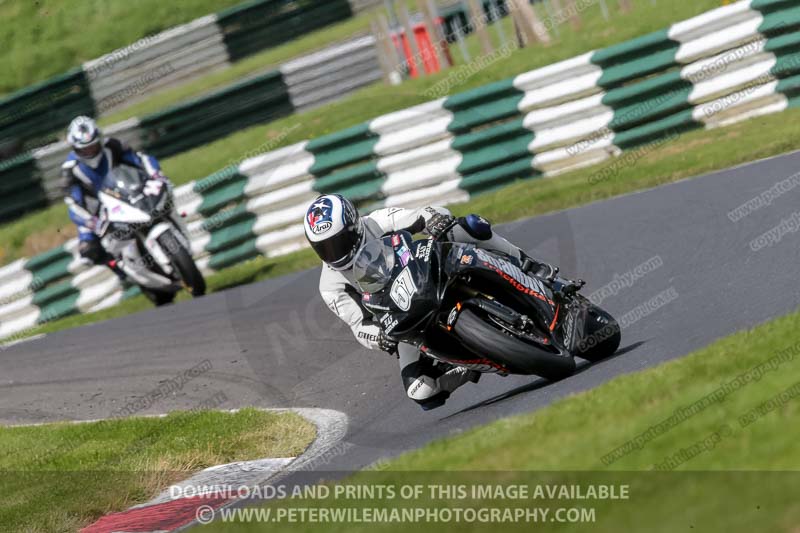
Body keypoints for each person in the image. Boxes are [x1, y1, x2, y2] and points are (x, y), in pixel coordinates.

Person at [303, 194, 559, 411]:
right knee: (420, 390)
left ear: (354, 225)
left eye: (338, 242)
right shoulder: (330, 286)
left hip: (427, 273)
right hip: (402, 319)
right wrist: (379, 337)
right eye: (324, 247)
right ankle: (472, 361)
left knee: (467, 226)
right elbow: (359, 326)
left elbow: (420, 215)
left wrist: (434, 219)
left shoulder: (376, 222)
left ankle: (528, 265)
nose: (334, 252)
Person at [60, 116, 167, 274]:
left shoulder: (113, 146)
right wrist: (92, 222)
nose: (90, 151)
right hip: (98, 211)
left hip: (127, 192)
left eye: (93, 146)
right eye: (85, 149)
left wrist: (156, 175)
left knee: (162, 202)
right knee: (88, 251)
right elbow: (73, 204)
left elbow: (141, 160)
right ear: (75, 148)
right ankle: (122, 272)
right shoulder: (70, 169)